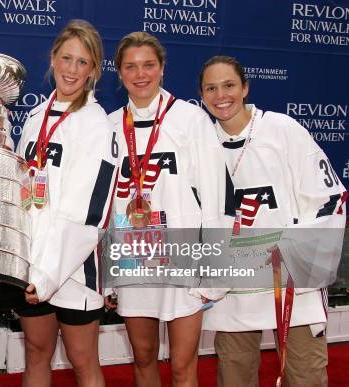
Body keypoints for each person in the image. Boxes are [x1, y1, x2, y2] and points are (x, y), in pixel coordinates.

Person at [199, 55, 347, 387]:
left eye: (229, 85)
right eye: (211, 88)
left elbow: (329, 198)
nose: (221, 95)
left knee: (305, 375)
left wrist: (298, 254)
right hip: (233, 285)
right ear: (202, 95)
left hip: (291, 281)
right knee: (234, 375)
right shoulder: (200, 142)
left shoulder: (281, 130)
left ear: (245, 87)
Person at [104, 32, 229, 387]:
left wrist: (214, 273)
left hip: (184, 259)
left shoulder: (191, 119)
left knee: (181, 365)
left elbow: (215, 200)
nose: (140, 74)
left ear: (162, 68)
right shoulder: (110, 125)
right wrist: (108, 274)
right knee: (142, 358)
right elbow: (106, 203)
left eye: (148, 65)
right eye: (130, 66)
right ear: (120, 72)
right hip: (132, 257)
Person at [15, 19, 117, 387]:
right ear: (53, 58)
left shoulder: (96, 125)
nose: (72, 70)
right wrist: (27, 263)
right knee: (36, 354)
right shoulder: (34, 117)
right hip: (32, 263)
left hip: (73, 268)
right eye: (66, 58)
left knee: (82, 361)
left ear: (94, 70)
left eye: (82, 62)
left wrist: (48, 274)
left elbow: (90, 216)